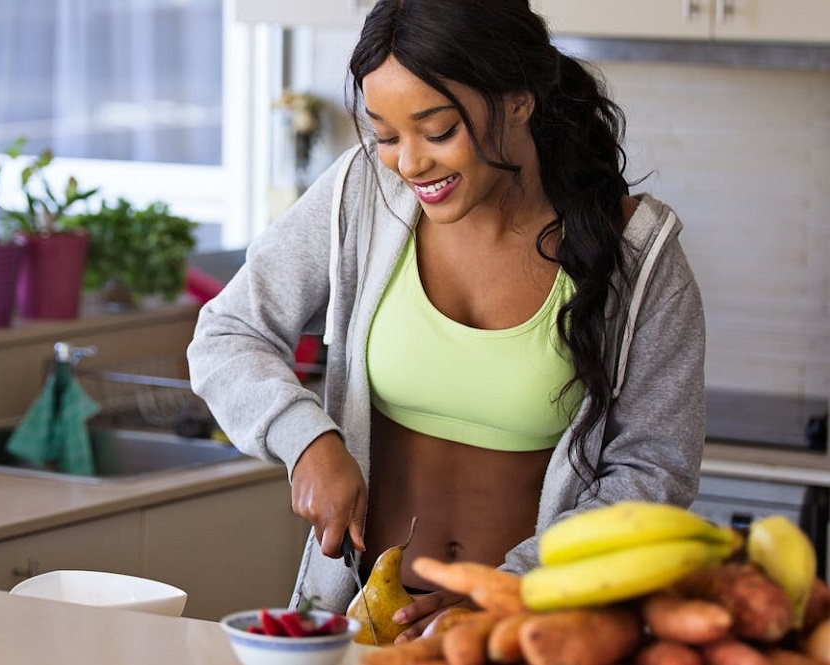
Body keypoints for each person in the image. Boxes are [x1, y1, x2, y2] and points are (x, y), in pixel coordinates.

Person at [187, 0, 705, 643]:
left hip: (532, 630)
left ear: (519, 100)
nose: (409, 164)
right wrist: (306, 441)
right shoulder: (360, 196)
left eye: (436, 131)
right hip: (364, 628)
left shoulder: (638, 254)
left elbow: (654, 469)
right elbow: (227, 334)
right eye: (385, 135)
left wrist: (511, 589)